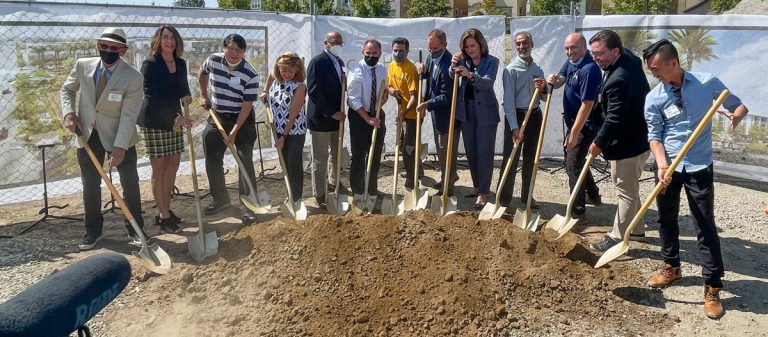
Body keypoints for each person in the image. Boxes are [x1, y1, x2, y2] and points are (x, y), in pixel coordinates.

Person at [642, 39, 748, 319]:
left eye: (656, 68)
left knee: (704, 224)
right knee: (666, 219)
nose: (654, 73)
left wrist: (735, 116)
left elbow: (738, 105)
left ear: (673, 62)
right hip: (668, 166)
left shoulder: (706, 82)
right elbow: (654, 136)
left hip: (699, 166)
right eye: (651, 69)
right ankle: (671, 267)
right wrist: (662, 165)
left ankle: (712, 286)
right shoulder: (654, 97)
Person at [60, 27, 146, 250]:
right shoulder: (83, 65)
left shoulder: (133, 77)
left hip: (120, 136)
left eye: (113, 48)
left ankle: (135, 230)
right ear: (98, 46)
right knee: (90, 185)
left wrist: (120, 147)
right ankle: (93, 232)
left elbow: (129, 115)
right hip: (88, 135)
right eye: (104, 46)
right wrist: (69, 113)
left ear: (123, 51)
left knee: (129, 183)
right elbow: (67, 89)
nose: (107, 50)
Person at [587, 30, 651, 252]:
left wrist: (598, 143)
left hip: (629, 143)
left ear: (615, 51)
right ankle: (637, 229)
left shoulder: (620, 79)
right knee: (629, 186)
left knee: (625, 190)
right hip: (637, 137)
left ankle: (616, 237)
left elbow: (615, 118)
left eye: (599, 54)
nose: (595, 58)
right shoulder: (628, 58)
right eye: (593, 53)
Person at [198, 34, 261, 225]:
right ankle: (220, 199)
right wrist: (203, 94)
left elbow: (247, 106)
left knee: (244, 159)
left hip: (242, 119)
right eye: (231, 48)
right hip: (218, 115)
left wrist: (233, 132)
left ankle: (247, 204)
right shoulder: (213, 60)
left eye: (239, 50)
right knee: (212, 154)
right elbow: (202, 72)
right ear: (224, 48)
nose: (234, 53)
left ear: (244, 52)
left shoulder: (250, 74)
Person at [137, 25, 192, 234]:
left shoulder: (181, 63)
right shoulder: (150, 64)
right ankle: (163, 214)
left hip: (175, 120)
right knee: (159, 169)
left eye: (172, 37)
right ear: (158, 41)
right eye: (165, 37)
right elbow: (151, 96)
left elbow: (183, 87)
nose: (169, 41)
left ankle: (166, 209)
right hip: (154, 121)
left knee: (173, 166)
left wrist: (187, 96)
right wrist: (176, 117)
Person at [546, 32, 603, 222]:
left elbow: (587, 104)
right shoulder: (571, 62)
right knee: (576, 161)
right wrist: (554, 79)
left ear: (584, 47)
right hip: (573, 123)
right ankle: (593, 195)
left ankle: (577, 213)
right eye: (567, 48)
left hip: (585, 124)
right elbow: (561, 79)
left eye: (574, 48)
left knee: (573, 165)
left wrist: (574, 133)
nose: (570, 52)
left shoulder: (589, 69)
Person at [450, 28, 500, 210]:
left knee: (484, 153)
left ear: (481, 45)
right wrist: (453, 64)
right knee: (471, 152)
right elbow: (451, 75)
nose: (470, 49)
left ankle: (484, 193)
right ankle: (477, 186)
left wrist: (470, 75)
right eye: (466, 47)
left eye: (473, 45)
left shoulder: (492, 61)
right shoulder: (463, 60)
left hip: (486, 113)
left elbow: (487, 83)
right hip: (466, 112)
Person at [499, 31, 546, 211]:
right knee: (510, 159)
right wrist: (514, 127)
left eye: (525, 43)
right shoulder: (510, 70)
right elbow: (508, 102)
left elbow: (543, 97)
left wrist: (543, 88)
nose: (521, 47)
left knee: (531, 158)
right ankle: (503, 201)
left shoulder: (537, 69)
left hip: (534, 116)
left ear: (531, 44)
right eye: (518, 43)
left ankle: (527, 197)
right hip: (517, 117)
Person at [416, 29, 459, 197]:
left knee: (447, 152)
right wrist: (423, 70)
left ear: (444, 45)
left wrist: (428, 103)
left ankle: (448, 189)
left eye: (435, 49)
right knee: (441, 151)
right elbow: (431, 76)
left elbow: (447, 96)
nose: (432, 52)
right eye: (430, 48)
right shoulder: (431, 57)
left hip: (448, 116)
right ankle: (447, 177)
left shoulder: (449, 64)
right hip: (437, 115)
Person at [306, 32, 346, 209]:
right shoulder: (318, 62)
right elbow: (314, 91)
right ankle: (320, 193)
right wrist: (331, 112)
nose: (337, 45)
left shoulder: (340, 62)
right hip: (321, 118)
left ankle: (334, 182)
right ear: (326, 43)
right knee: (320, 157)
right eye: (334, 42)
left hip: (338, 117)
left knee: (336, 153)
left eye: (340, 42)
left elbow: (339, 87)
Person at [347, 38, 388, 200]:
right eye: (368, 53)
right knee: (359, 154)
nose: (371, 56)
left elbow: (384, 90)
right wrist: (367, 119)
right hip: (359, 115)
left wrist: (384, 98)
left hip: (376, 114)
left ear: (380, 54)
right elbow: (353, 99)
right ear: (363, 52)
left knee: (375, 152)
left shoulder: (382, 70)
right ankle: (358, 190)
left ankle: (371, 189)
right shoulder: (356, 70)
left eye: (374, 53)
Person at [267, 52, 307, 203]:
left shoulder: (299, 87)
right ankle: (289, 194)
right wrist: (265, 91)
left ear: (297, 70)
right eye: (284, 70)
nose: (287, 74)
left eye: (291, 71)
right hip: (278, 129)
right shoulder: (277, 79)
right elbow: (271, 75)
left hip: (294, 131)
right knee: (284, 163)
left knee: (293, 163)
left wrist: (283, 137)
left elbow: (293, 115)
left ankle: (296, 198)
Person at [386, 37, 420, 190]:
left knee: (408, 148)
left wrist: (405, 113)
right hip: (401, 112)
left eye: (401, 51)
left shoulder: (410, 69)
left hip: (412, 114)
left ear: (407, 52)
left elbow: (414, 97)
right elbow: (389, 86)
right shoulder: (392, 65)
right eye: (395, 50)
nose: (397, 53)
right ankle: (417, 170)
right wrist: (392, 91)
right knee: (401, 144)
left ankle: (412, 182)